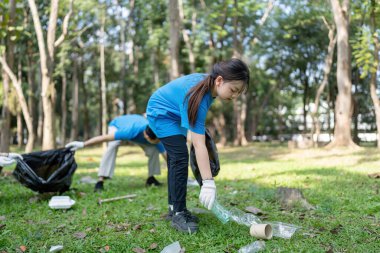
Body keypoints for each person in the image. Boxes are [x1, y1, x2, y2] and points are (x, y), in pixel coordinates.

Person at [146, 58, 250, 233]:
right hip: (161, 112)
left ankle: (174, 209)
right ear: (219, 80)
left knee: (175, 159)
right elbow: (198, 144)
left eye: (238, 93)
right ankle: (179, 213)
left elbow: (198, 137)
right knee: (179, 158)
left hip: (174, 114)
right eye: (233, 90)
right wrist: (209, 183)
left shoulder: (208, 87)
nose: (234, 96)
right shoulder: (198, 95)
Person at [65, 114, 167, 191]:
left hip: (136, 122)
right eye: (156, 141)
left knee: (154, 149)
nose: (158, 142)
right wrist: (83, 144)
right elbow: (104, 138)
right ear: (147, 136)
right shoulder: (130, 131)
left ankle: (151, 178)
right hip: (117, 125)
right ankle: (100, 180)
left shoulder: (156, 134)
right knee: (113, 145)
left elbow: (166, 155)